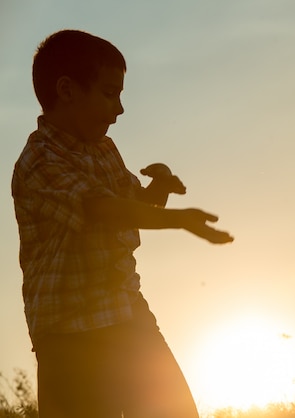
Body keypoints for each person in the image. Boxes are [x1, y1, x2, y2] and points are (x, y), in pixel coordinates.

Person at [12, 29, 234, 418]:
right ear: (67, 90)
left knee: (177, 411)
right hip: (70, 334)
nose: (119, 109)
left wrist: (158, 188)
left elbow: (132, 204)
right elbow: (101, 210)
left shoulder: (103, 149)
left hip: (127, 313)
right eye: (109, 92)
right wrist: (177, 219)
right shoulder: (39, 160)